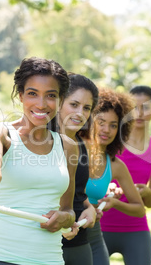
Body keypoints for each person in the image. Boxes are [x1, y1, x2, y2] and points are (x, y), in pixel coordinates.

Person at [0, 56, 78, 265]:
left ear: (60, 99)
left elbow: (68, 208)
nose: (41, 104)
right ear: (20, 95)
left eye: (50, 95)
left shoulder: (68, 146)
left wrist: (66, 218)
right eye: (32, 94)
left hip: (49, 259)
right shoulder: (0, 133)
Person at [101, 85, 151, 265]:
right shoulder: (109, 143)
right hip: (100, 226)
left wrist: (147, 193)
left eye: (145, 107)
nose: (139, 113)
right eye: (133, 107)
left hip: (136, 229)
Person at [83, 87, 146, 265]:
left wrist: (114, 202)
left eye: (113, 125)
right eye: (101, 122)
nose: (107, 130)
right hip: (65, 235)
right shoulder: (72, 151)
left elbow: (139, 209)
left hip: (94, 238)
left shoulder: (116, 165)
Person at [52, 73, 99, 265]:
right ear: (59, 102)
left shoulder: (80, 144)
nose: (80, 113)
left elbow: (77, 192)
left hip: (79, 243)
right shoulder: (40, 142)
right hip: (46, 243)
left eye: (86, 108)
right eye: (74, 104)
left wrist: (90, 209)